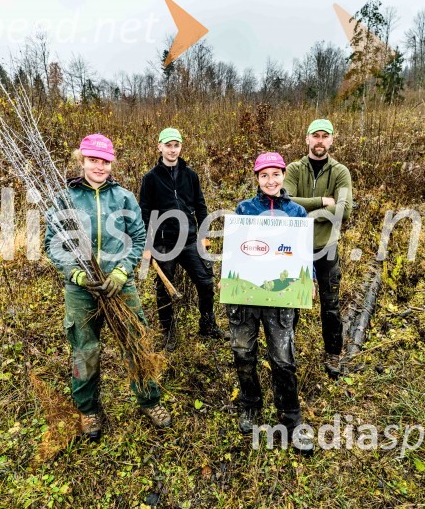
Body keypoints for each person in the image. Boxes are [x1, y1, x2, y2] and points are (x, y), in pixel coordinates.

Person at [44, 133, 171, 440]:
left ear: (111, 163)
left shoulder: (124, 197)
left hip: (119, 285)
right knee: (85, 349)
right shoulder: (65, 199)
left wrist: (120, 274)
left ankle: (149, 400)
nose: (99, 167)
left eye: (104, 161)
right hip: (81, 289)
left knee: (136, 342)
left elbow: (138, 239)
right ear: (82, 161)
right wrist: (77, 276)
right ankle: (88, 409)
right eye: (93, 160)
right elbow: (53, 243)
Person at [227, 152, 311, 452]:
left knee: (283, 357)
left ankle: (291, 417)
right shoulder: (244, 209)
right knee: (243, 352)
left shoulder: (297, 213)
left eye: (276, 174)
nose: (270, 180)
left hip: (280, 299)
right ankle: (250, 403)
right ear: (257, 178)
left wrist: (308, 281)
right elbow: (236, 250)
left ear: (283, 175)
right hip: (246, 296)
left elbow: (304, 254)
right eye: (264, 175)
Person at [138, 127, 229, 351]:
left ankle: (207, 326)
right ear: (159, 147)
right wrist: (147, 245)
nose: (172, 150)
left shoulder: (191, 175)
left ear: (181, 147)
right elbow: (145, 212)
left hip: (189, 240)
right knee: (164, 289)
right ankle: (168, 334)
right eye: (168, 145)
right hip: (163, 243)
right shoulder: (150, 178)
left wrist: (203, 234)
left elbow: (200, 205)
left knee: (206, 283)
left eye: (176, 145)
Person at [283, 119, 353, 379]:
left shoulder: (340, 172)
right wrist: (322, 202)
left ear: (332, 140)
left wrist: (308, 214)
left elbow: (345, 210)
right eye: (316, 135)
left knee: (330, 304)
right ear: (307, 139)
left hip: (326, 246)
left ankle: (333, 353)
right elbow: (284, 200)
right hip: (294, 249)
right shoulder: (293, 169)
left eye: (325, 136)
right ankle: (286, 351)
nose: (320, 140)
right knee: (290, 302)